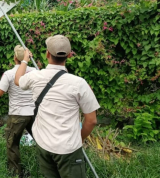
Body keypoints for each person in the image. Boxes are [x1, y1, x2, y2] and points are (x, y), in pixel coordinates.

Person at [14, 35, 100, 178]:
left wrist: (24, 60)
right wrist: (80, 138)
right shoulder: (79, 83)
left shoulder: (35, 76)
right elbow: (91, 120)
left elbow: (18, 80)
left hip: (43, 145)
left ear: (47, 54)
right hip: (68, 148)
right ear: (69, 55)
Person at [0, 45, 36, 177]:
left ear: (15, 57)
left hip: (17, 115)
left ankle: (16, 173)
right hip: (34, 114)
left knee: (12, 144)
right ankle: (50, 169)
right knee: (44, 142)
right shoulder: (35, 72)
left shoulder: (9, 74)